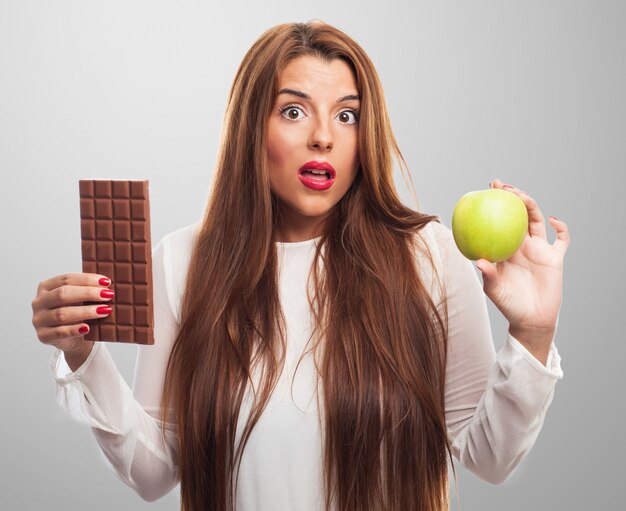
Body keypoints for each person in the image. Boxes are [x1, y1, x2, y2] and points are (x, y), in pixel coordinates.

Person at [31, 20, 570, 511]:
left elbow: (489, 459)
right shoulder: (183, 260)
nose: (323, 136)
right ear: (251, 128)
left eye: (347, 115)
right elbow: (154, 473)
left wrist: (532, 330)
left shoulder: (427, 254)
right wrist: (82, 355)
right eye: (293, 111)